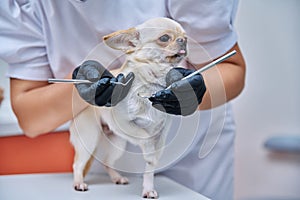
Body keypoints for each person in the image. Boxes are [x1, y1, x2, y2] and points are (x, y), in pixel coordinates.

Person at [0, 1, 246, 200]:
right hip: (108, 168)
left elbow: (230, 66)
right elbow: (30, 119)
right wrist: (85, 86)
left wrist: (195, 92)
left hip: (192, 165)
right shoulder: (21, 6)